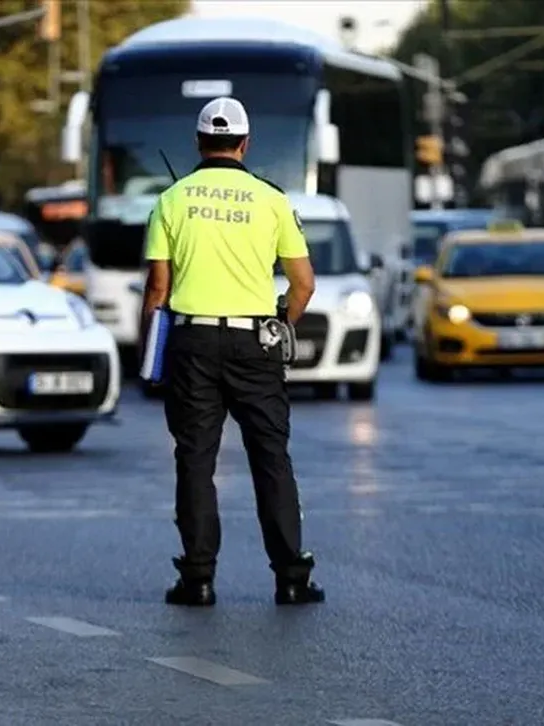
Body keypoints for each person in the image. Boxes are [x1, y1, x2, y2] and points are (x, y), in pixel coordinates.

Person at [139, 96, 323, 607]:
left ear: (200, 142)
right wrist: (278, 323)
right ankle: (291, 576)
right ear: (245, 143)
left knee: (196, 459)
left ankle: (197, 579)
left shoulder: (171, 200)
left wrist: (149, 353)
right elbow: (304, 285)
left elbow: (158, 289)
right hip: (254, 343)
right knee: (270, 458)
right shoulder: (271, 200)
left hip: (192, 344)